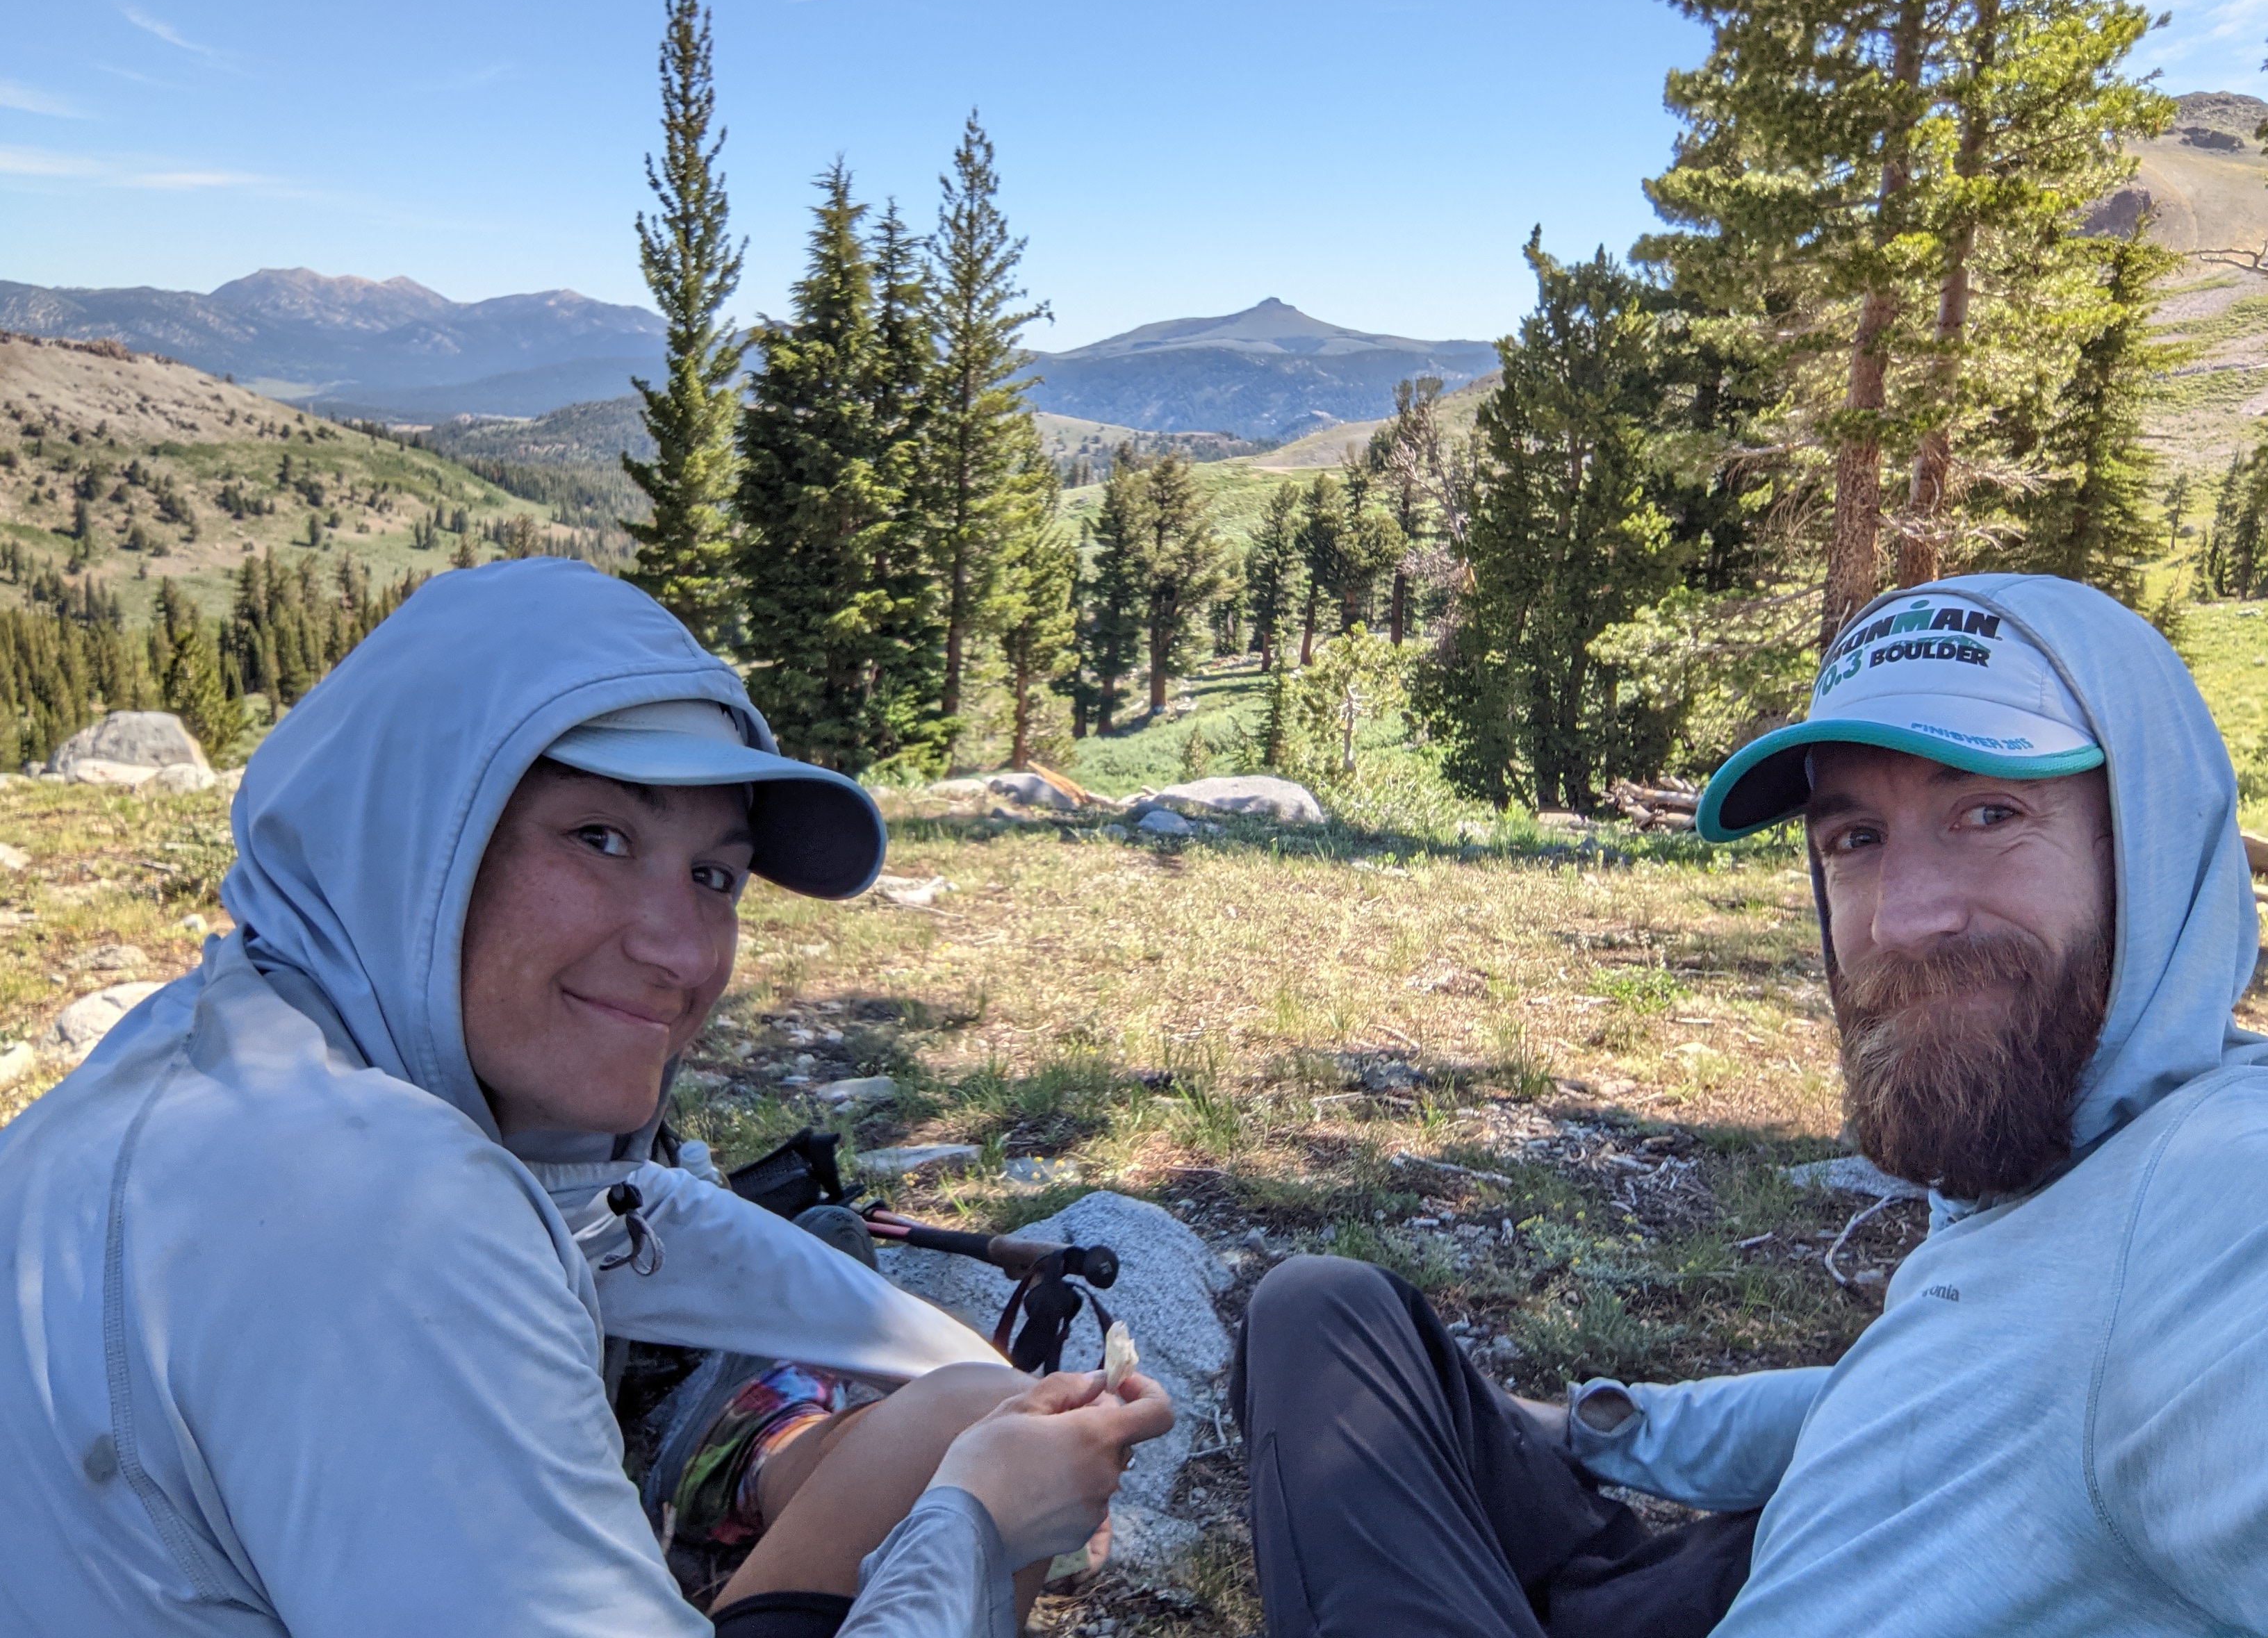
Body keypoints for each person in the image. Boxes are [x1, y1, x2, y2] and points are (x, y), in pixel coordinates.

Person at [0, 558, 1172, 1637]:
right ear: (411, 844)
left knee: (964, 1414)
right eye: (600, 837)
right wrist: (978, 1527)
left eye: (713, 874)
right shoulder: (383, 1218)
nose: (684, 953)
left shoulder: (223, 1049)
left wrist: (996, 1385)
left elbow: (621, 1213)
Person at [1234, 573, 2268, 1638]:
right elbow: (1902, 1392)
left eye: (1989, 813)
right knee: (1323, 1309)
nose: (1900, 921)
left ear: (2151, 842)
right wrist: (1598, 1429)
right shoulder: (2062, 1169)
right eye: (1856, 839)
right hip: (1712, 1583)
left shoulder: (2221, 1195)